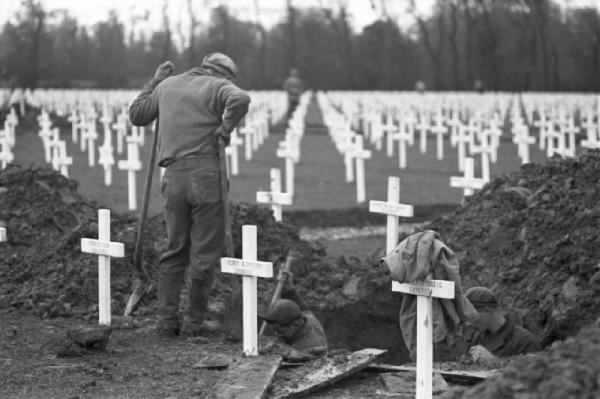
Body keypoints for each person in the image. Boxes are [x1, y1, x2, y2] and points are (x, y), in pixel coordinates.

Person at [129, 53, 251, 337]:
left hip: (172, 179)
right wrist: (225, 128)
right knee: (204, 252)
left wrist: (155, 80)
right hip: (206, 175)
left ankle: (166, 321)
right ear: (224, 75)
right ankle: (194, 322)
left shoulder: (167, 85)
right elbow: (241, 99)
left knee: (175, 249)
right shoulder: (217, 86)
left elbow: (137, 115)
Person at [259, 270, 328, 361]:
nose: (277, 335)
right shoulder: (306, 319)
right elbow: (303, 307)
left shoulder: (305, 350)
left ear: (295, 325)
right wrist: (289, 289)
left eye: (280, 332)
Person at [464, 286, 541, 365]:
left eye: (472, 316)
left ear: (488, 311)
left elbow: (534, 374)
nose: (468, 322)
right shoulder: (477, 338)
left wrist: (494, 361)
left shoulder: (525, 341)